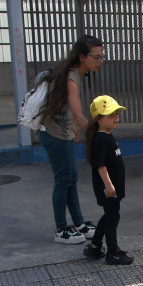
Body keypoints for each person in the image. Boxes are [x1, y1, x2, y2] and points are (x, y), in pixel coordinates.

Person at [38, 34, 104, 244]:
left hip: (63, 132)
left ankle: (79, 223)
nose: (100, 61)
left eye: (102, 57)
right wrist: (96, 136)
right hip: (53, 134)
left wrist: (73, 127)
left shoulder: (74, 73)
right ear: (83, 56)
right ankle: (60, 229)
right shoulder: (71, 77)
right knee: (63, 180)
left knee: (71, 179)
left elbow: (64, 106)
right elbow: (78, 112)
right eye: (96, 57)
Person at [82, 95, 133, 265]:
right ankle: (113, 252)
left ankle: (95, 246)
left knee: (110, 215)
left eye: (117, 114)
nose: (116, 118)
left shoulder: (107, 135)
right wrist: (109, 184)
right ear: (99, 119)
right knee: (112, 218)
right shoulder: (101, 139)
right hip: (108, 188)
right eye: (111, 114)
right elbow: (100, 165)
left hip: (112, 187)